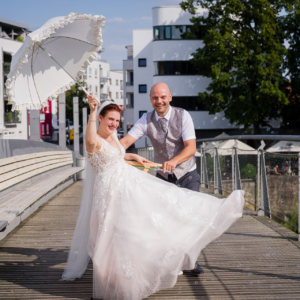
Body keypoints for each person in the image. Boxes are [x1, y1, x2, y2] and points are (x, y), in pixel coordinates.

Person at [62, 96, 245, 300]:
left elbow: (115, 154)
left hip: (128, 186)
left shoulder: (112, 137)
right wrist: (92, 112)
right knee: (111, 236)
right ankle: (112, 284)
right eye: (110, 119)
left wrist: (133, 156)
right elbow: (91, 143)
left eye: (117, 120)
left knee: (151, 218)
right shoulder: (94, 139)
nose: (114, 124)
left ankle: (132, 276)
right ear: (101, 118)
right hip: (110, 193)